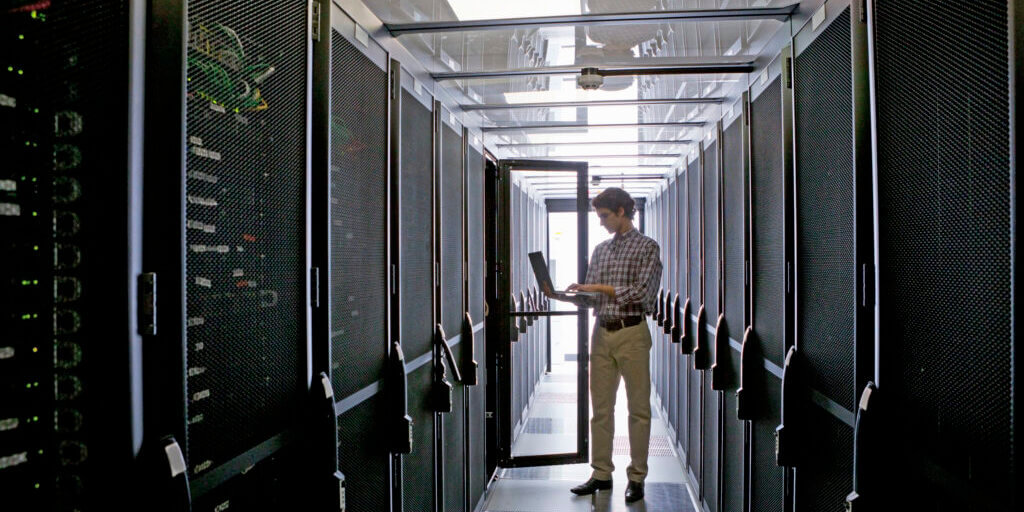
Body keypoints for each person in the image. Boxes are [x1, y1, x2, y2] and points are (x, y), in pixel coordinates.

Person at [546, 187, 662, 503]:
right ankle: (601, 474)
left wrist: (596, 287)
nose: (601, 222)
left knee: (638, 410)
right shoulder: (600, 250)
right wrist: (570, 296)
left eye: (604, 216)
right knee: (600, 409)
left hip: (633, 334)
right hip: (602, 333)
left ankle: (636, 478)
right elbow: (594, 297)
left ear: (622, 211)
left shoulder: (648, 248)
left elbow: (642, 295)